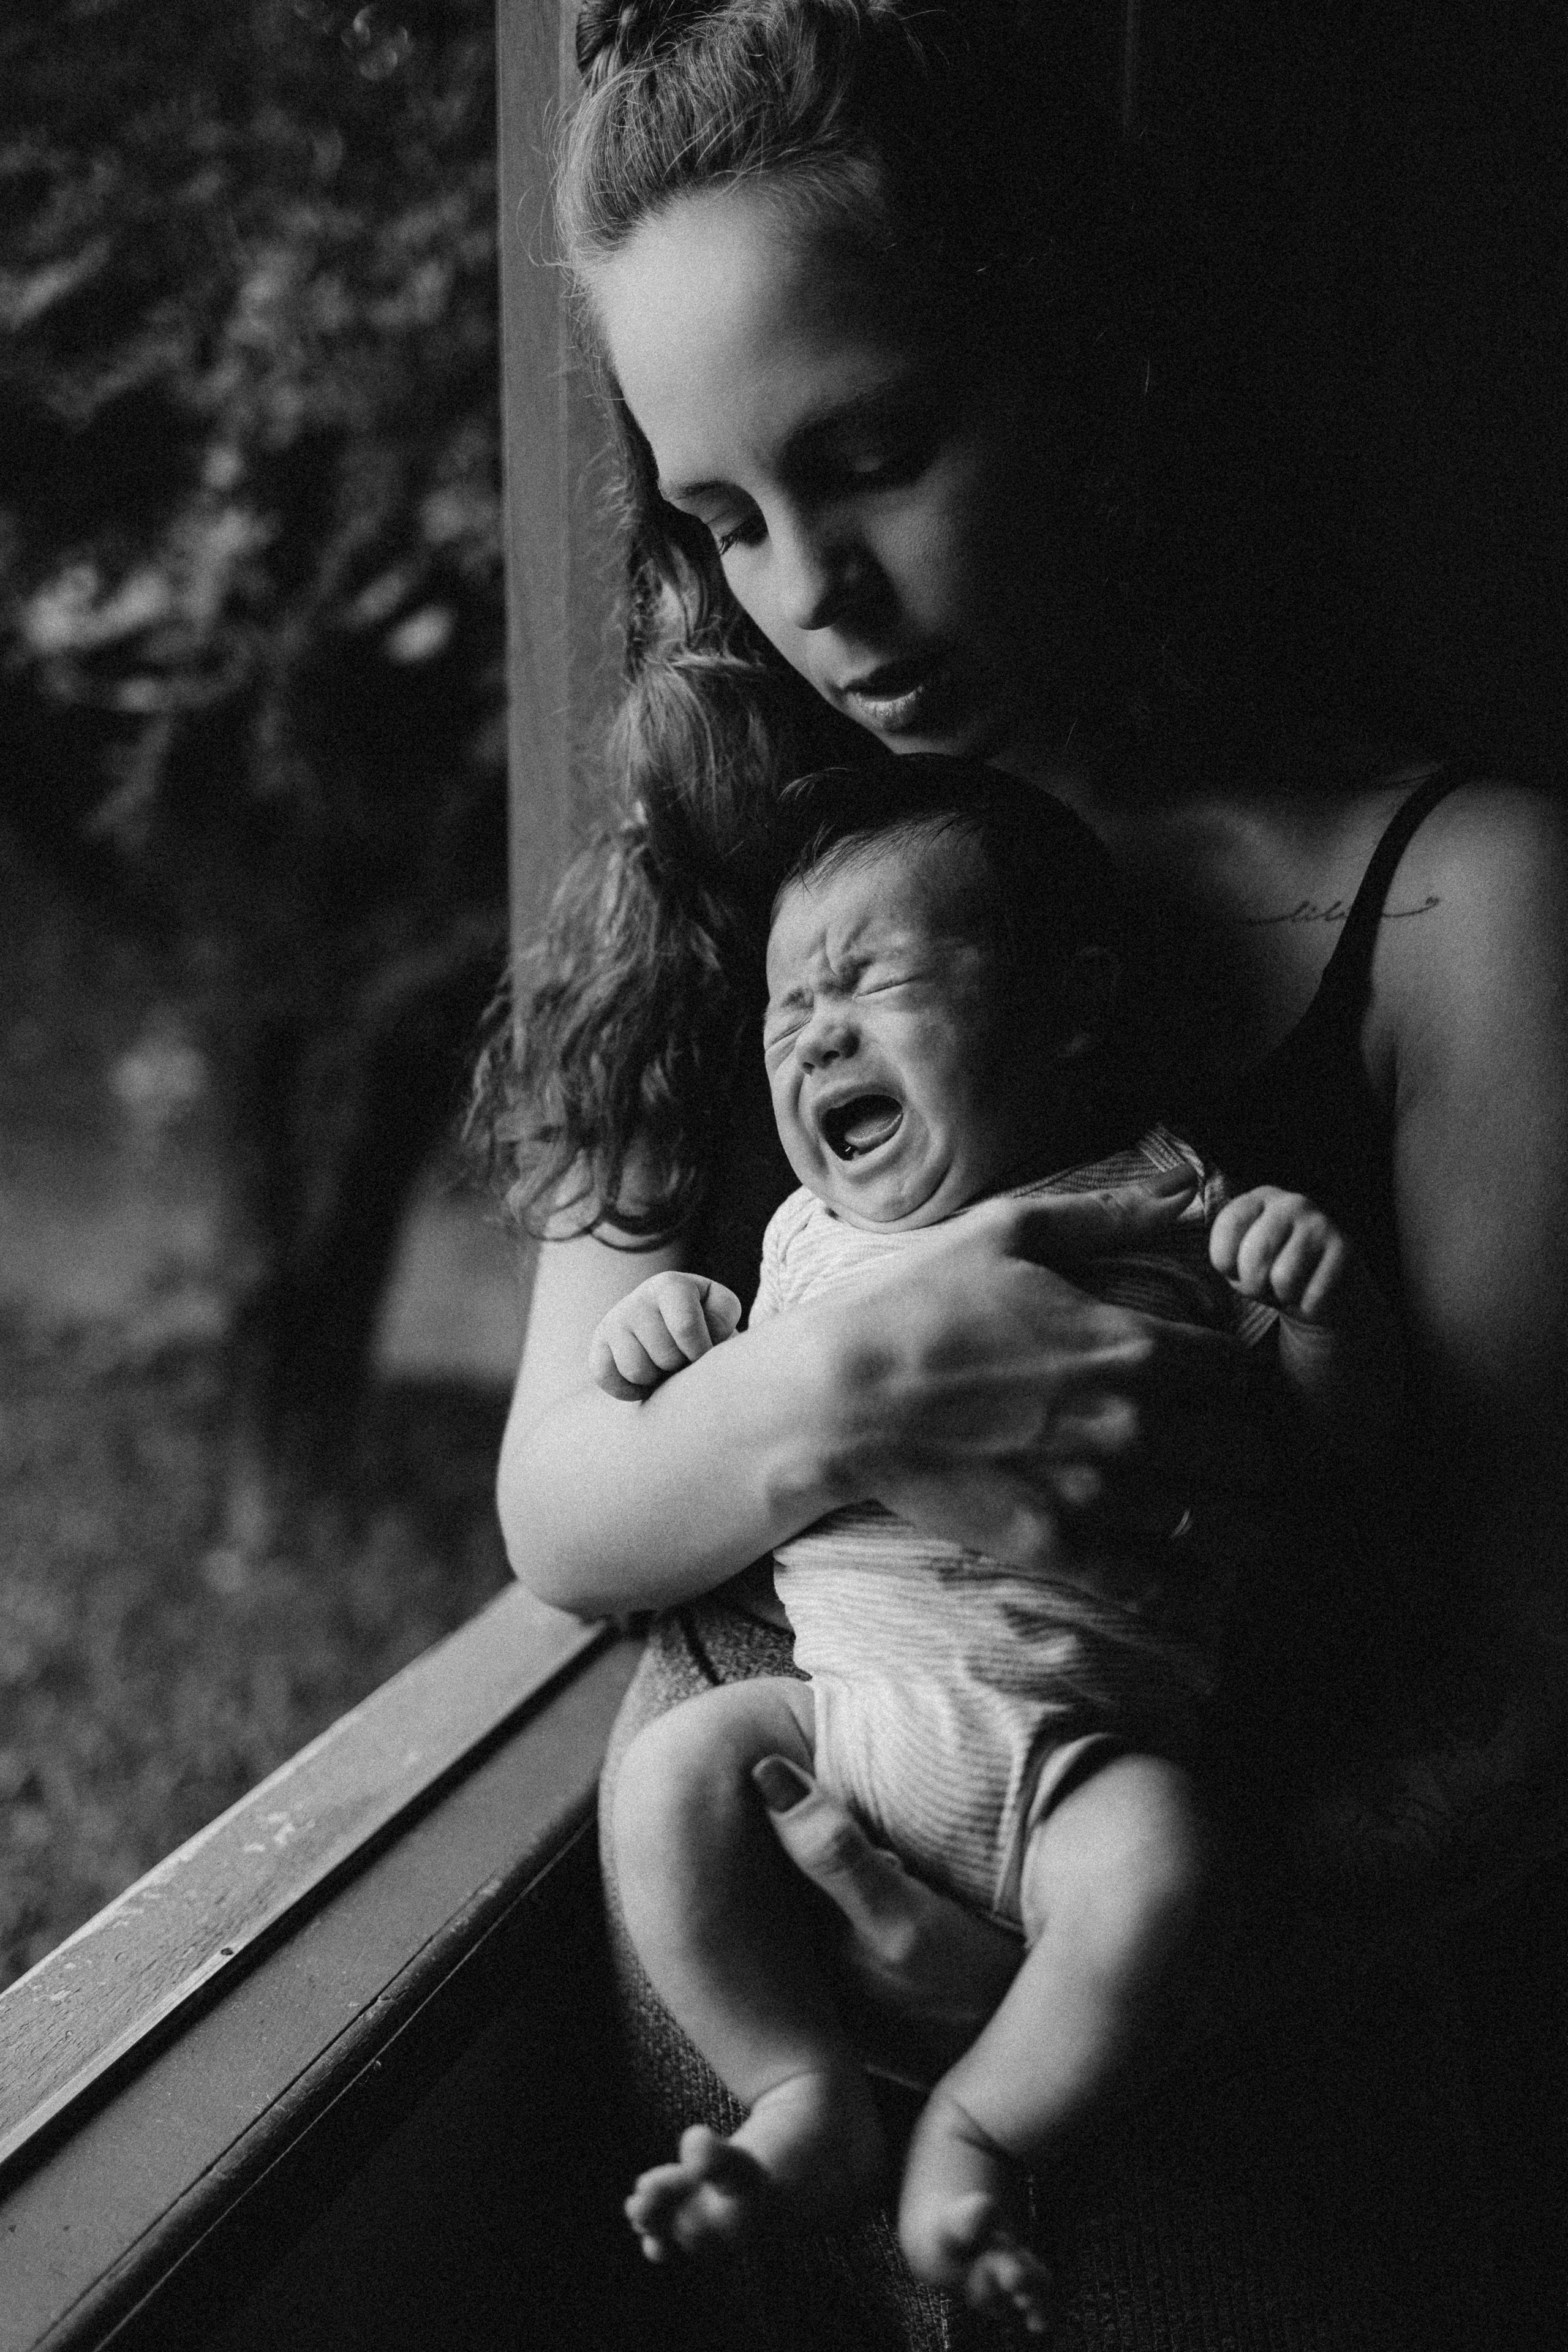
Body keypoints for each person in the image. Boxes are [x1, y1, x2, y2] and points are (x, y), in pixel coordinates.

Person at [479, 2, 1568, 2341]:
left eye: (874, 455)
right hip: (744, 2079)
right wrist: (862, 1396)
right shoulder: (721, 871)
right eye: (724, 520)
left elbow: (1522, 1675)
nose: (813, 594)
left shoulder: (1462, 905)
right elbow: (568, 1504)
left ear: (1085, 356)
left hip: (1245, 2105)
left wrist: (1095, 1953)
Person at [593, 760, 1401, 2334]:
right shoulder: (804, 1245)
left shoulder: (1170, 1204)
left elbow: (1336, 1454)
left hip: (1082, 1758)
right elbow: (721, 1429)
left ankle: (976, 2129)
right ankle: (795, 2085)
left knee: (1168, 1873)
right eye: (783, 1008)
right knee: (668, 1775)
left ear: (1068, 1007)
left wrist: (1322, 1315)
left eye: (868, 979)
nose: (813, 1028)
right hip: (837, 1718)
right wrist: (665, 1333)